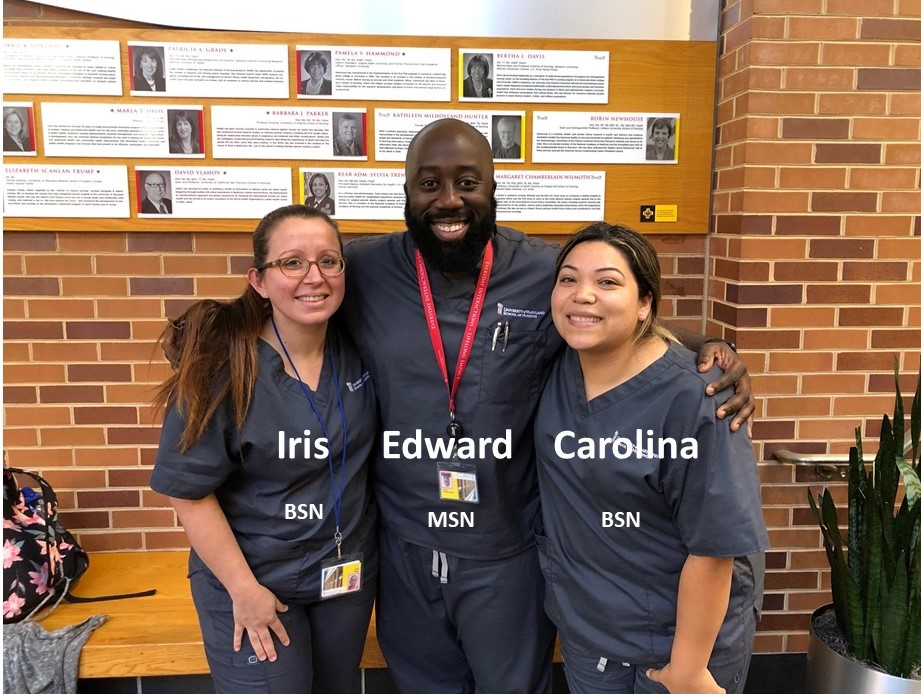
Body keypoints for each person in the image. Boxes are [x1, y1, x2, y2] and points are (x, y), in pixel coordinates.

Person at [339, 118, 754, 693]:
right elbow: (287, 298)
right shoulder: (362, 269)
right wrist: (207, 333)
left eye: (468, 181)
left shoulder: (543, 271)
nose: (449, 199)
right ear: (406, 192)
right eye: (429, 184)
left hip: (505, 546)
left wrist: (714, 345)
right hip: (406, 541)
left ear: (493, 187)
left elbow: (616, 318)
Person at [150, 204, 378, 694]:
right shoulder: (226, 367)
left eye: (329, 261)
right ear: (258, 280)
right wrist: (242, 589)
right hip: (255, 584)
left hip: (342, 582)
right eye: (292, 262)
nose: (313, 277)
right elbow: (188, 493)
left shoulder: (359, 350)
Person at [535, 222, 768, 694]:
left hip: (684, 646)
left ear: (644, 303)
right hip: (591, 635)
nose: (583, 295)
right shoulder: (553, 367)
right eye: (568, 279)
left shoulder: (699, 396)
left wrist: (686, 669)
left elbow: (715, 545)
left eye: (607, 281)